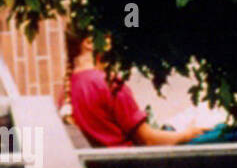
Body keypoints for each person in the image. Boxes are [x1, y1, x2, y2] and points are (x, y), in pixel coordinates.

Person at [63, 30, 210, 146]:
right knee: (222, 133)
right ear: (89, 42)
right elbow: (148, 140)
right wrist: (187, 135)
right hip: (133, 167)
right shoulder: (107, 84)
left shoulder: (70, 87)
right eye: (108, 35)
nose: (113, 41)